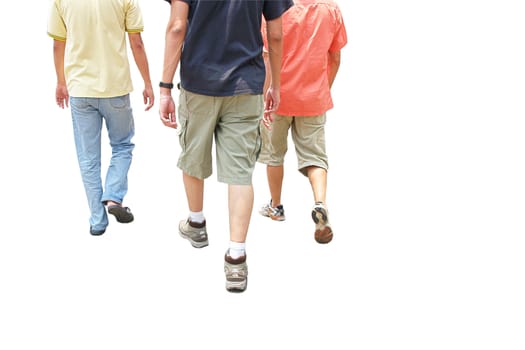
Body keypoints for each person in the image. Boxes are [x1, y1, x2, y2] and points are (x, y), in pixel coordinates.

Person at [159, 0, 293, 292]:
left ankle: (196, 225)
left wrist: (165, 87)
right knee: (240, 173)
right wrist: (277, 85)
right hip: (246, 86)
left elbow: (177, 26)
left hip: (198, 82)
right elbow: (276, 33)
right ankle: (236, 258)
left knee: (193, 154)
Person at [48, 0, 154, 236]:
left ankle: (97, 221)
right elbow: (136, 43)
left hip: (80, 90)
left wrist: (60, 82)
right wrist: (148, 83)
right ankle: (114, 198)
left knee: (88, 158)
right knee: (123, 145)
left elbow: (58, 45)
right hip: (116, 89)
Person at [258, 0, 347, 244]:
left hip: (278, 97)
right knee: (315, 157)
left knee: (273, 154)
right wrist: (323, 89)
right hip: (313, 98)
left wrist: (263, 95)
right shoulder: (330, 9)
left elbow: (266, 55)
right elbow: (336, 57)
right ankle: (320, 202)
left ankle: (276, 207)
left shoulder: (274, 8)